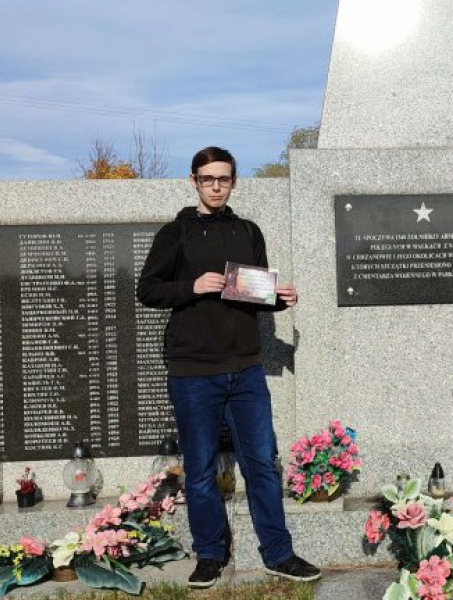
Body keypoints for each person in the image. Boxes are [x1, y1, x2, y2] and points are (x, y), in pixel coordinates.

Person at [137, 146, 320, 588]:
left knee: (262, 463)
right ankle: (210, 556)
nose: (216, 186)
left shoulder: (248, 231)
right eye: (208, 179)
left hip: (245, 370)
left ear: (234, 181)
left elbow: (251, 292)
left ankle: (279, 553)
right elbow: (147, 290)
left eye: (224, 179)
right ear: (194, 181)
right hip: (193, 371)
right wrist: (192, 286)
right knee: (200, 468)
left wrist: (279, 298)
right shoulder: (174, 234)